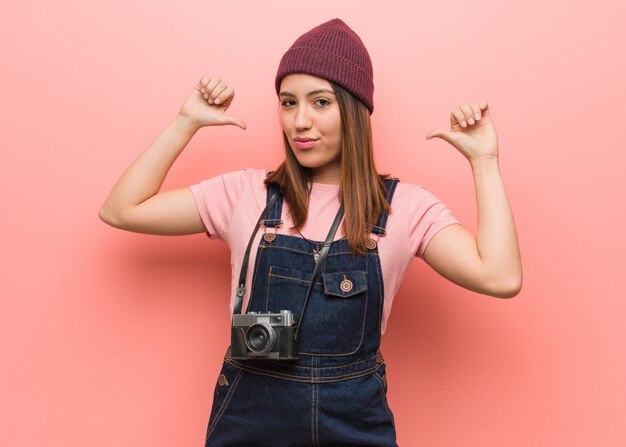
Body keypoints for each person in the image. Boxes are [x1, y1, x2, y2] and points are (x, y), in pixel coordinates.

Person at [99, 18, 522, 447]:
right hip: (249, 422)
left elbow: (500, 277)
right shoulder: (246, 192)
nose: (300, 121)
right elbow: (122, 209)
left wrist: (484, 161)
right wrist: (185, 122)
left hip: (355, 422)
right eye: (288, 102)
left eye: (320, 102)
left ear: (354, 109)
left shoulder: (404, 207)